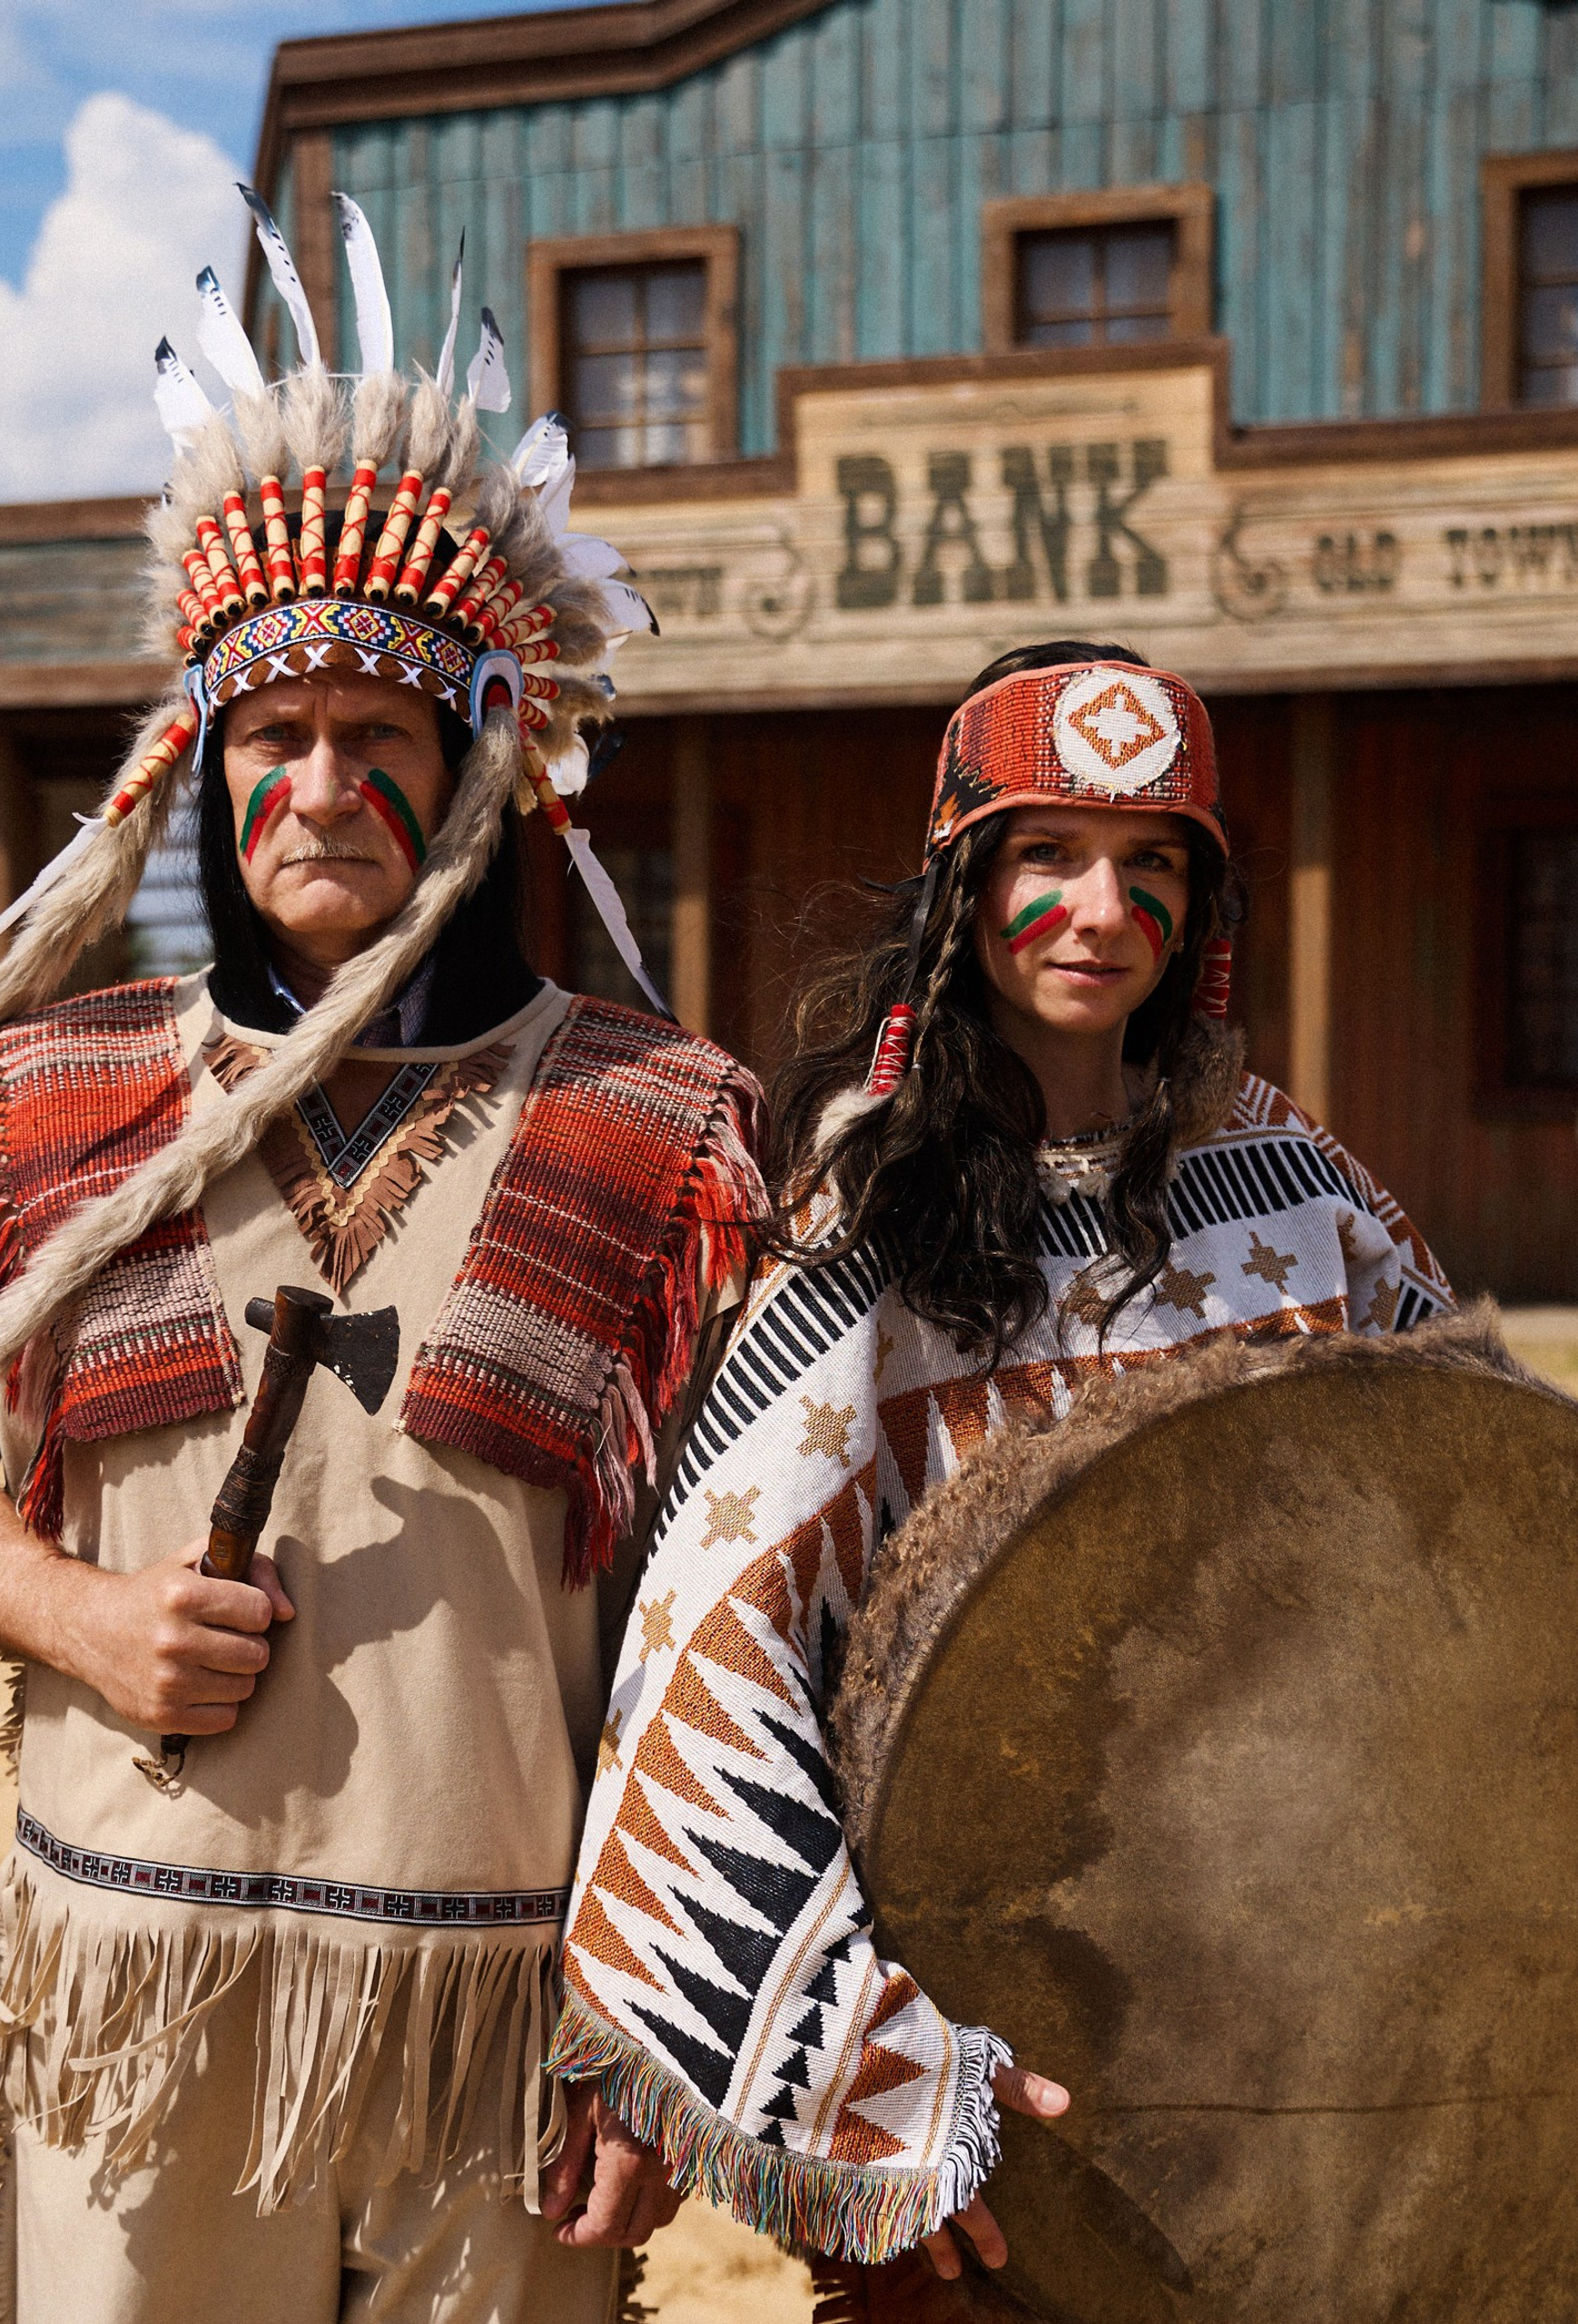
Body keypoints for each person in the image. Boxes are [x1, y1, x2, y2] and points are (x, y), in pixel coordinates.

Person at [0, 196, 761, 2324]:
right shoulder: (53, 1089)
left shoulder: (656, 1126)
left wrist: (653, 2006)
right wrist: (78, 1612)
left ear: (474, 776)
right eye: (274, 738)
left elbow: (714, 1610)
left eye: (380, 738)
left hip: (496, 2001)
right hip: (142, 1977)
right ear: (208, 773)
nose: (320, 785)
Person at [548, 644, 1453, 2319]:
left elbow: (1489, 1529)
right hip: (991, 2033)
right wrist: (869, 2075)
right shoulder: (864, 1210)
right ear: (965, 883)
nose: (1101, 909)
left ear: (1203, 907)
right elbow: (716, 1645)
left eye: (1152, 862)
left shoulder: (1302, 1191)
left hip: (1319, 2004)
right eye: (1048, 856)